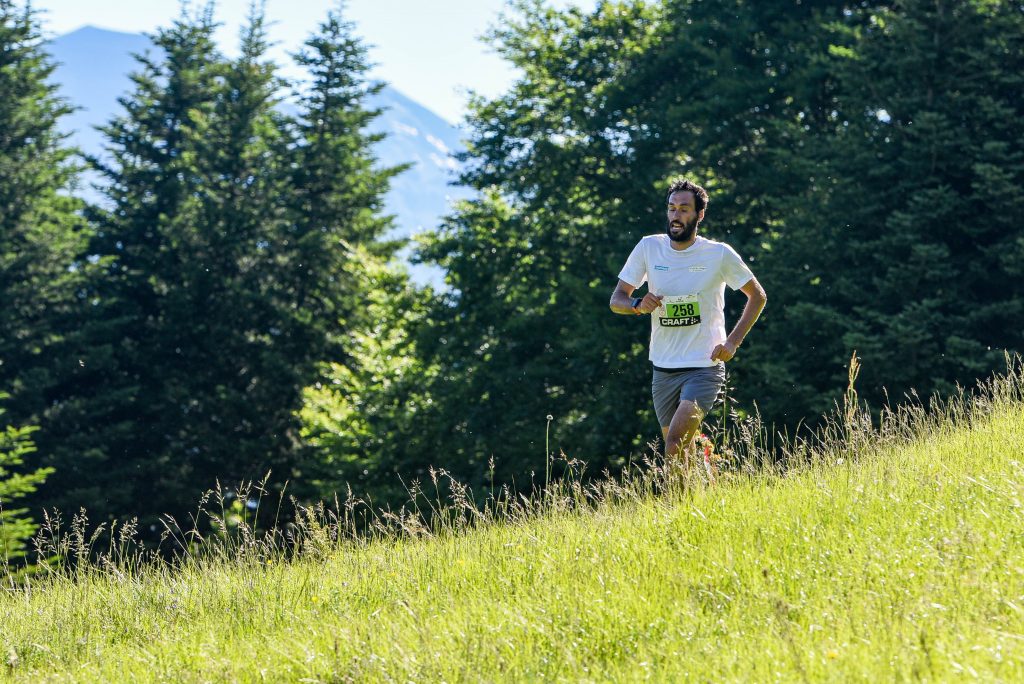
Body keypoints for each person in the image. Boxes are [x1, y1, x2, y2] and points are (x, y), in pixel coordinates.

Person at [609, 178, 767, 467]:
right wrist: (637, 305)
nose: (675, 216)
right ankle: (701, 496)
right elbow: (617, 299)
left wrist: (732, 342)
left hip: (703, 367)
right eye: (671, 208)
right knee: (685, 451)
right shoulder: (648, 247)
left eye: (684, 209)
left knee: (675, 444)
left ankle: (676, 508)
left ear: (699, 215)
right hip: (663, 368)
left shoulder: (718, 253)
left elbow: (757, 296)